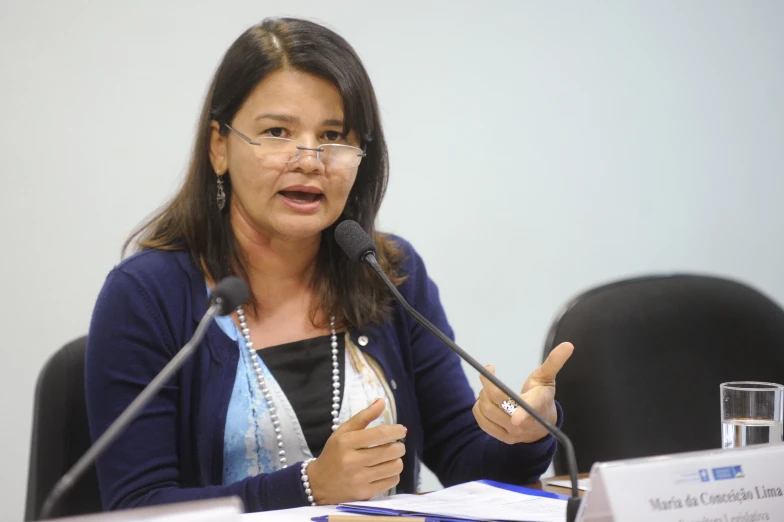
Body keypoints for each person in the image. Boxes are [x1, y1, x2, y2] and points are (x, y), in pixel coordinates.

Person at [85, 17, 574, 513]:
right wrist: (308, 486)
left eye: (333, 135)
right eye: (277, 131)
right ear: (219, 146)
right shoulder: (146, 296)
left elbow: (467, 461)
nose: (310, 159)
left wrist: (525, 434)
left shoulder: (389, 273)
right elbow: (137, 505)